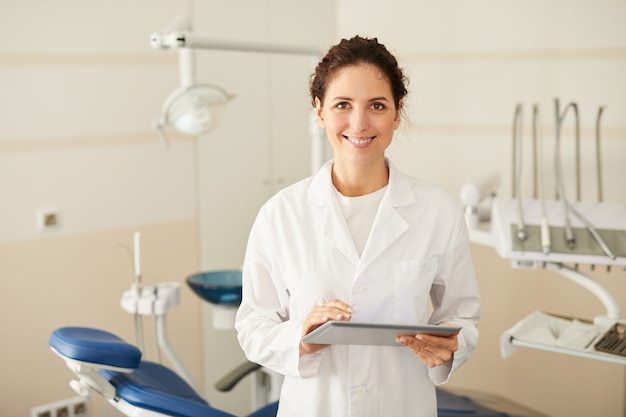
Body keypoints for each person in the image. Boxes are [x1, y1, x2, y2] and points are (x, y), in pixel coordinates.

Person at [235, 35, 480, 417]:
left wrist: (450, 345)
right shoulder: (280, 214)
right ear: (319, 112)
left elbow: (462, 314)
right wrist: (301, 337)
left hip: (402, 405)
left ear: (397, 113)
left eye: (377, 106)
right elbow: (253, 326)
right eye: (342, 105)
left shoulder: (438, 212)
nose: (359, 123)